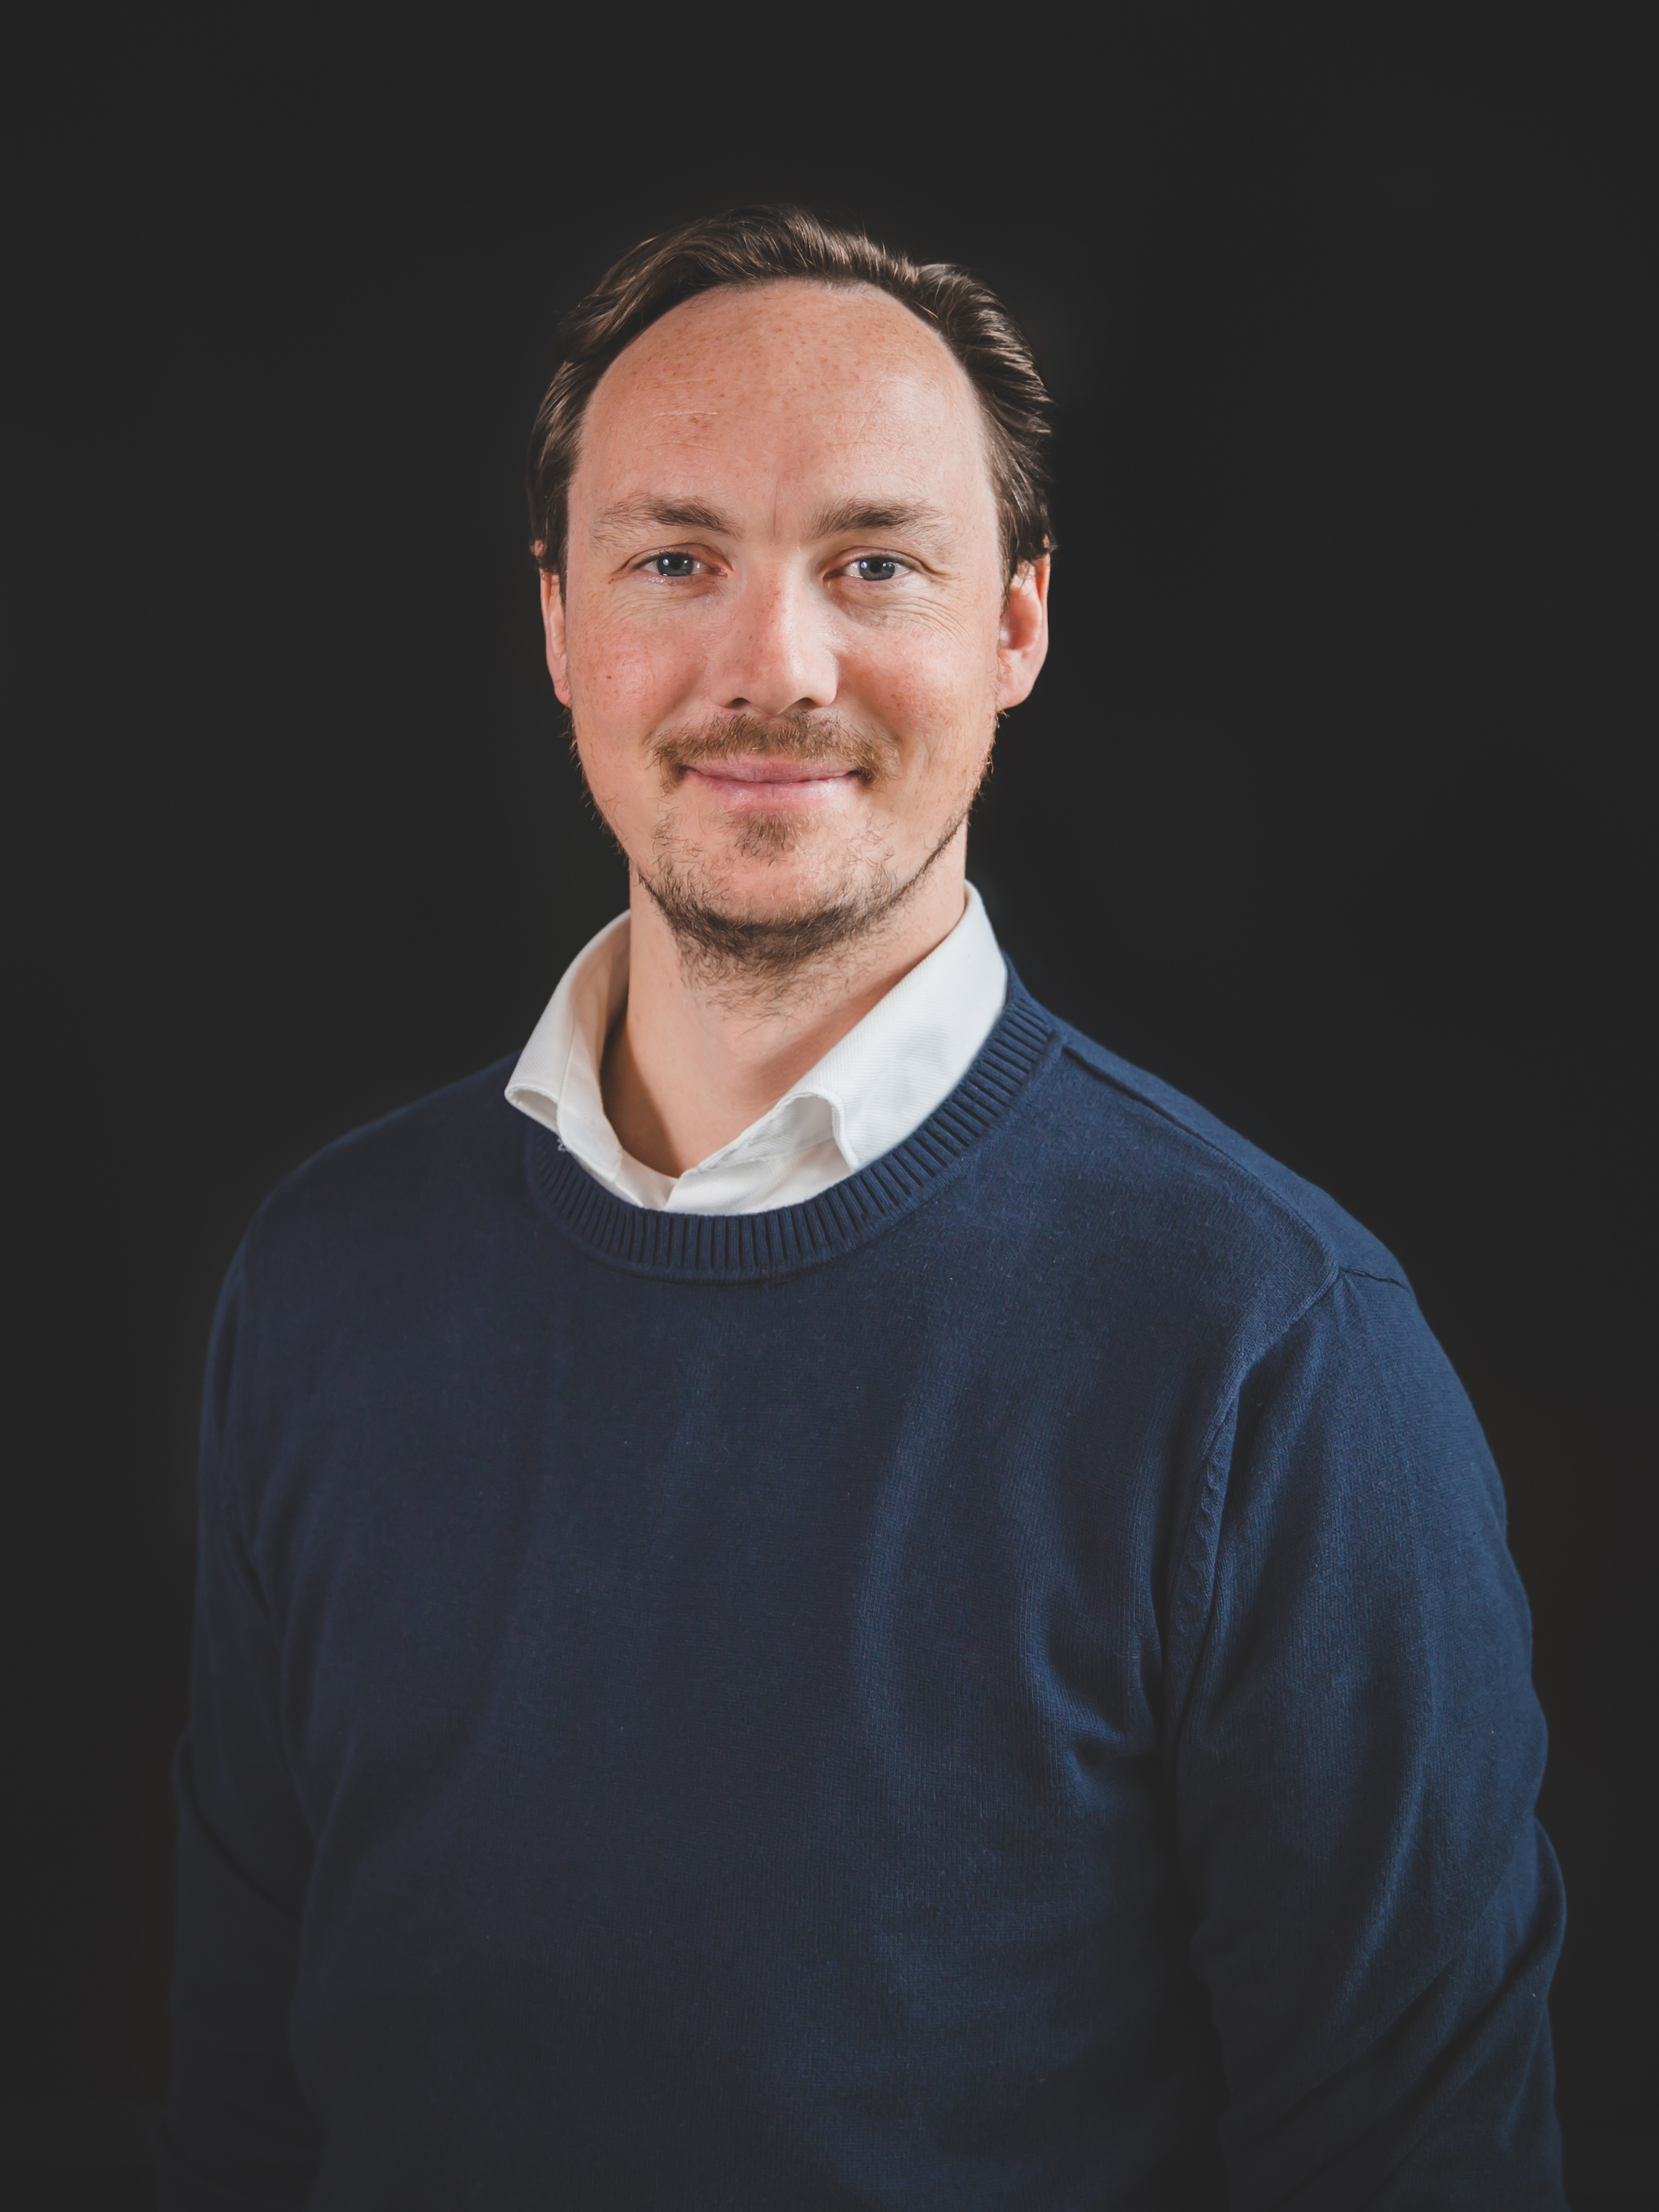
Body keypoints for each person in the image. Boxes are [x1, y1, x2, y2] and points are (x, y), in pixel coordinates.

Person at [159, 206, 1566, 2210]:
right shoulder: (323, 1281)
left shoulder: (1275, 1354)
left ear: (1016, 627)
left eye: (874, 563)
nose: (774, 667)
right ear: (557, 624)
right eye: (675, 560)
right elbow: (242, 2114)